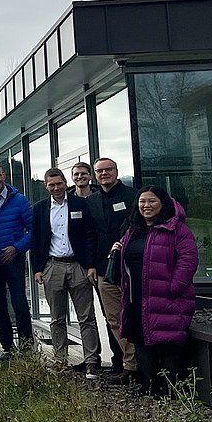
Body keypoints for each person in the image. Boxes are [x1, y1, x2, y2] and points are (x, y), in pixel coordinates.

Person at [113, 186, 199, 395]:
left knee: (167, 341)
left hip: (166, 295)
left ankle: (171, 389)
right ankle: (149, 384)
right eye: (142, 202)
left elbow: (188, 260)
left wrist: (174, 287)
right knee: (141, 339)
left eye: (151, 201)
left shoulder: (177, 229)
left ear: (163, 203)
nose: (146, 206)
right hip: (136, 295)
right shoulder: (134, 230)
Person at [30, 168, 101, 378]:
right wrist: (37, 269)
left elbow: (89, 235)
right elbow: (36, 240)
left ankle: (91, 361)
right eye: (51, 185)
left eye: (59, 183)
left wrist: (90, 265)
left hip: (78, 265)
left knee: (86, 316)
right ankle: (60, 360)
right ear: (46, 186)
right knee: (56, 318)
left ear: (65, 183)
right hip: (53, 266)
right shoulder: (40, 208)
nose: (56, 188)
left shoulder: (80, 204)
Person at [86, 157, 138, 382]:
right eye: (100, 171)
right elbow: (89, 236)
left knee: (135, 315)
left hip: (130, 267)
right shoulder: (91, 201)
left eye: (108, 169)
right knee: (114, 318)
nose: (104, 173)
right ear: (95, 175)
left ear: (117, 171)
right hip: (103, 268)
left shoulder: (133, 196)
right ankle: (128, 364)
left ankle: (142, 364)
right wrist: (90, 265)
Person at [0, 163, 34, 358]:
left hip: (13, 261)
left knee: (20, 304)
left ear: (4, 176)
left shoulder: (19, 201)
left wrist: (17, 248)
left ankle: (27, 348)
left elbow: (34, 230)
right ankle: (7, 348)